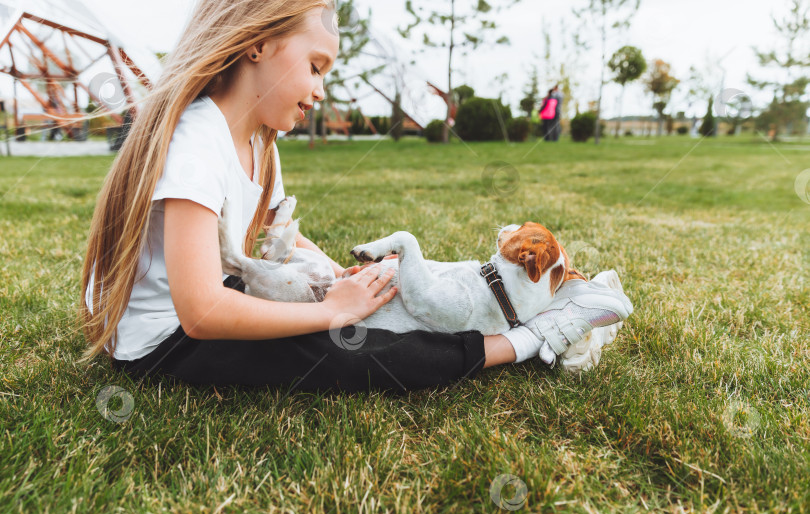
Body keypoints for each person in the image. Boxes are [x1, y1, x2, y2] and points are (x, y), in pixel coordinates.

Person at [80, 0, 632, 392]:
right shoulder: (197, 139)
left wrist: (331, 275)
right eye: (315, 66)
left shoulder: (258, 143)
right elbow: (201, 313)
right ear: (257, 43)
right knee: (356, 353)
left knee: (381, 308)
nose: (320, 90)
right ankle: (527, 339)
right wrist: (334, 312)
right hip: (164, 343)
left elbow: (279, 231)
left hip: (209, 305)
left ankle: (520, 305)